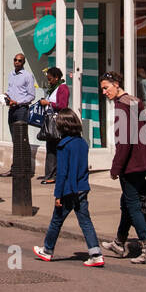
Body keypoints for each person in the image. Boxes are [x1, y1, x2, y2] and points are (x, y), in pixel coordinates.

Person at [98, 71, 146, 264]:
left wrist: (116, 168)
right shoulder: (134, 101)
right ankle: (119, 241)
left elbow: (124, 141)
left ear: (116, 85)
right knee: (127, 202)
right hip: (141, 161)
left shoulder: (122, 106)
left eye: (106, 88)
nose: (104, 92)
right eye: (102, 89)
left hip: (130, 164)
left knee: (132, 205)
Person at [32, 108, 104, 266]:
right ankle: (95, 253)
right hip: (82, 187)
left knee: (56, 221)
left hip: (68, 190)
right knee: (85, 221)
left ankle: (47, 250)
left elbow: (62, 173)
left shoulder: (63, 146)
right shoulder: (82, 143)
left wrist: (58, 195)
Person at [0, 52, 36, 177]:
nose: (16, 62)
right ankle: (15, 168)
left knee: (22, 139)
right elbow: (11, 90)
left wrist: (18, 101)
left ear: (23, 62)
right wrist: (7, 97)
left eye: (19, 60)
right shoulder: (11, 74)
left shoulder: (27, 76)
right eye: (15, 60)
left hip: (21, 109)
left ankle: (25, 169)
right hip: (12, 109)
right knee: (15, 140)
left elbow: (31, 95)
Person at [39, 66, 70, 183]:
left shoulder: (62, 88)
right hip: (50, 120)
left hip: (57, 122)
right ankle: (50, 174)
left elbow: (62, 105)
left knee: (55, 148)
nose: (49, 81)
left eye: (50, 79)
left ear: (57, 78)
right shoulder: (53, 88)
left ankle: (53, 175)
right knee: (50, 148)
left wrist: (48, 103)